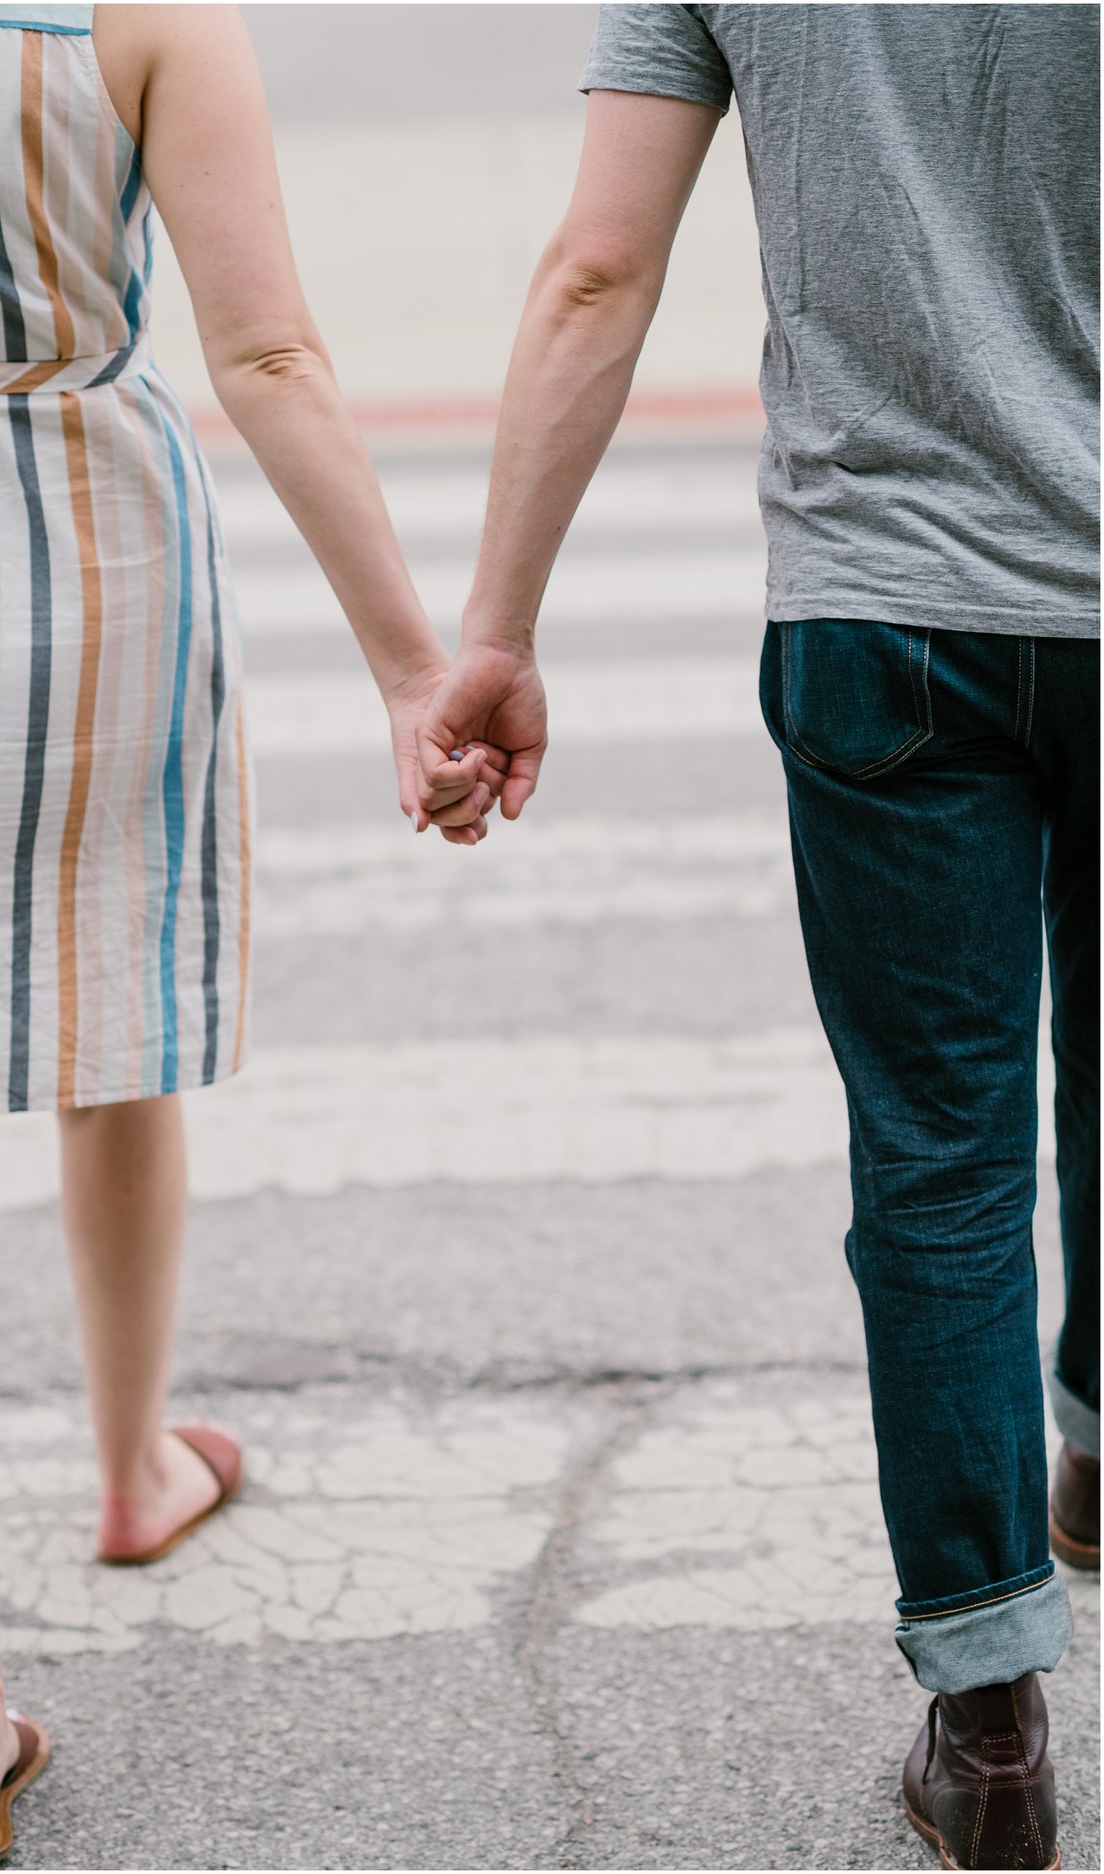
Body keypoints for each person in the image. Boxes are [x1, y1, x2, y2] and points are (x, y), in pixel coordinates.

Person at [415, 9, 1098, 1866]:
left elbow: (598, 267)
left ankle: (993, 1729)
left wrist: (496, 622)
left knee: (942, 1154)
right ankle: (1099, 1413)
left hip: (887, 613)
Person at [0, 4, 496, 1863]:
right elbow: (269, 344)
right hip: (87, 548)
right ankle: (134, 1469)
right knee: (107, 1012)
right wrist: (408, 664)